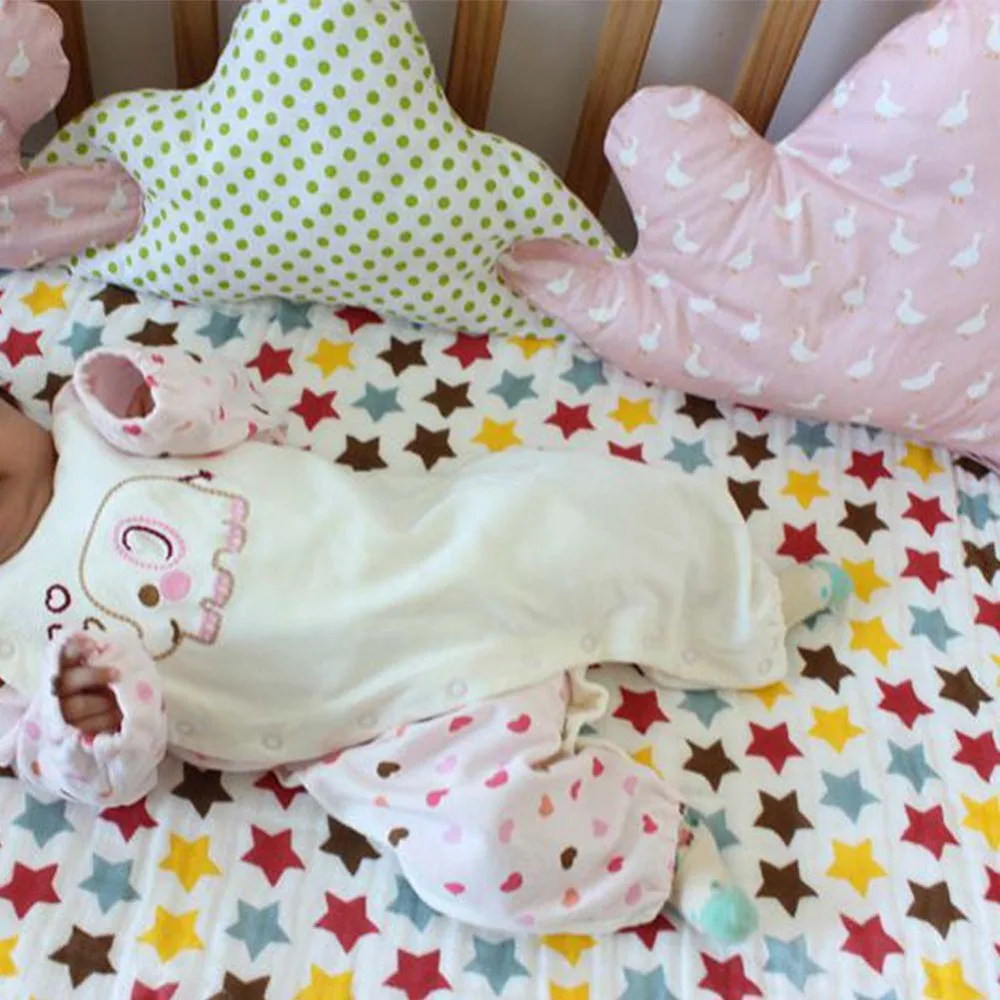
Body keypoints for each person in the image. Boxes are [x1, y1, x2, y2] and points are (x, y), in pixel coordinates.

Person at [0, 345, 850, 942]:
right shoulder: (12, 652)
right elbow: (86, 775)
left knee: (575, 513)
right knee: (476, 850)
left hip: (420, 551)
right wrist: (91, 727)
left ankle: (745, 602)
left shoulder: (93, 417)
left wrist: (152, 396)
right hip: (374, 726)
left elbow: (247, 410)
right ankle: (664, 853)